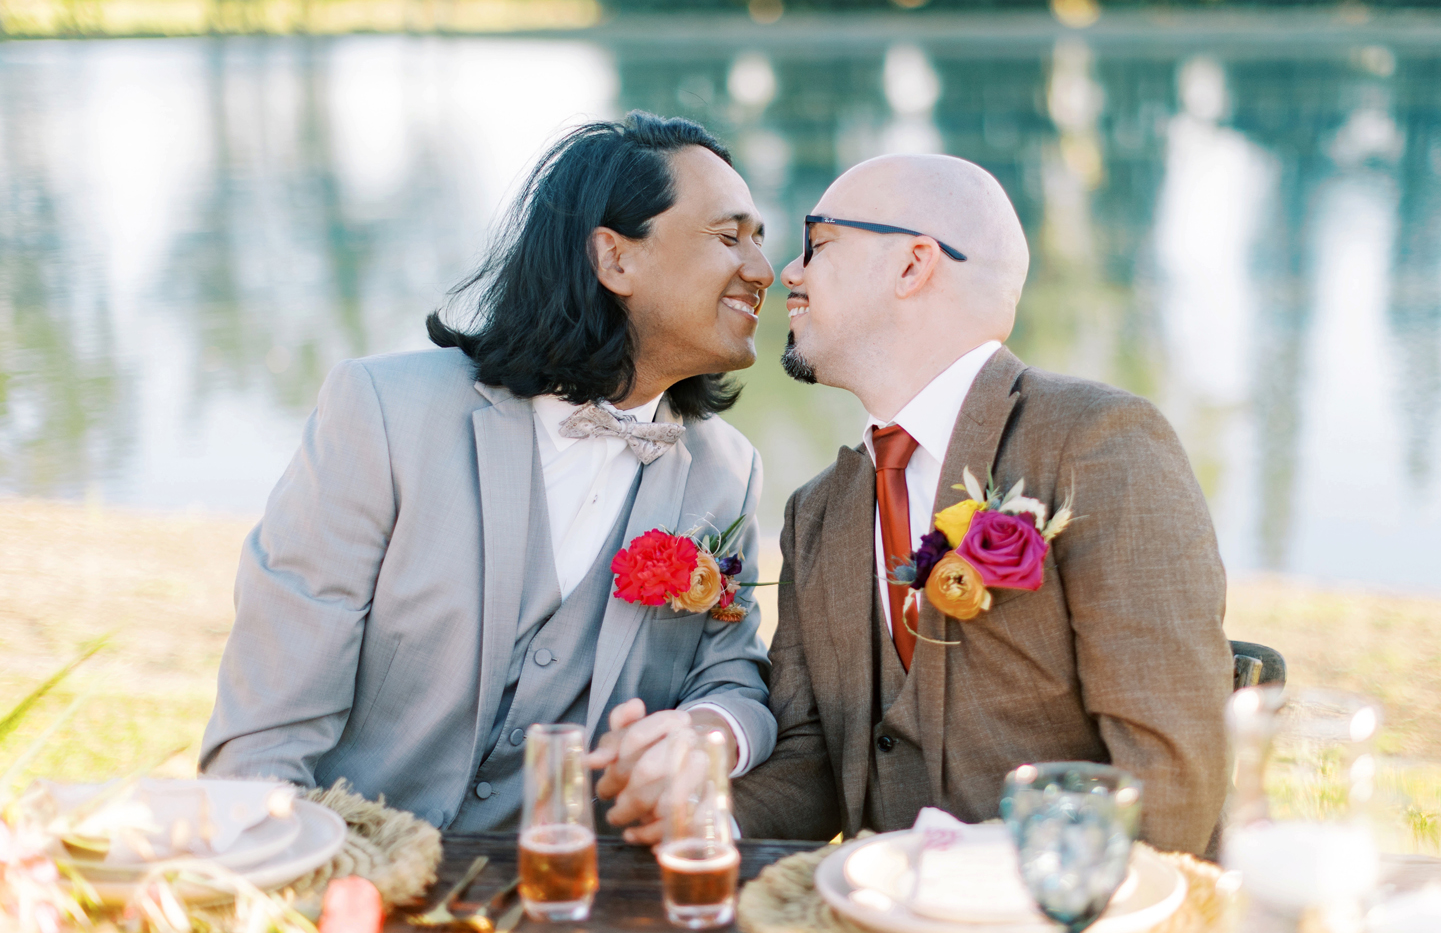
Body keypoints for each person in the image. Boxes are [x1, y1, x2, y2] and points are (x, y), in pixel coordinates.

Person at [200, 112, 778, 833]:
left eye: (760, 241)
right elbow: (264, 737)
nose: (763, 272)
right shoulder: (383, 416)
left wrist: (709, 732)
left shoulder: (727, 473)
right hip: (346, 870)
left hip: (561, 899)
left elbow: (734, 677)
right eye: (730, 238)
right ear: (615, 259)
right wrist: (306, 891)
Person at [726, 153, 1232, 854]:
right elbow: (811, 762)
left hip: (1072, 930)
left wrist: (1008, 906)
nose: (791, 271)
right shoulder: (816, 514)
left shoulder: (1100, 444)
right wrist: (700, 816)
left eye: (819, 242)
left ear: (913, 264)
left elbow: (1170, 775)